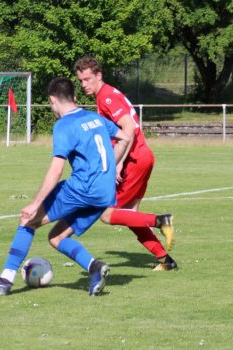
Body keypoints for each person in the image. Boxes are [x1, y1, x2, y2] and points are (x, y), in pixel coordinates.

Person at [0, 77, 131, 296]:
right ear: (74, 97)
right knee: (56, 238)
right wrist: (111, 168)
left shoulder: (64, 125)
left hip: (82, 189)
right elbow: (125, 137)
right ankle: (95, 267)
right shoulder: (94, 118)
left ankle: (5, 280)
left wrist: (35, 203)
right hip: (105, 193)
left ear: (52, 100)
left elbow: (56, 170)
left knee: (27, 220)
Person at [74, 56, 177, 271]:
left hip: (135, 160)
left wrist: (118, 163)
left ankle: (161, 221)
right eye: (81, 80)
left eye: (86, 79)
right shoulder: (106, 95)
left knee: (106, 214)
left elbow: (128, 129)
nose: (83, 84)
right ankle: (165, 260)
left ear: (98, 75)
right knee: (131, 216)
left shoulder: (107, 98)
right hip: (143, 157)